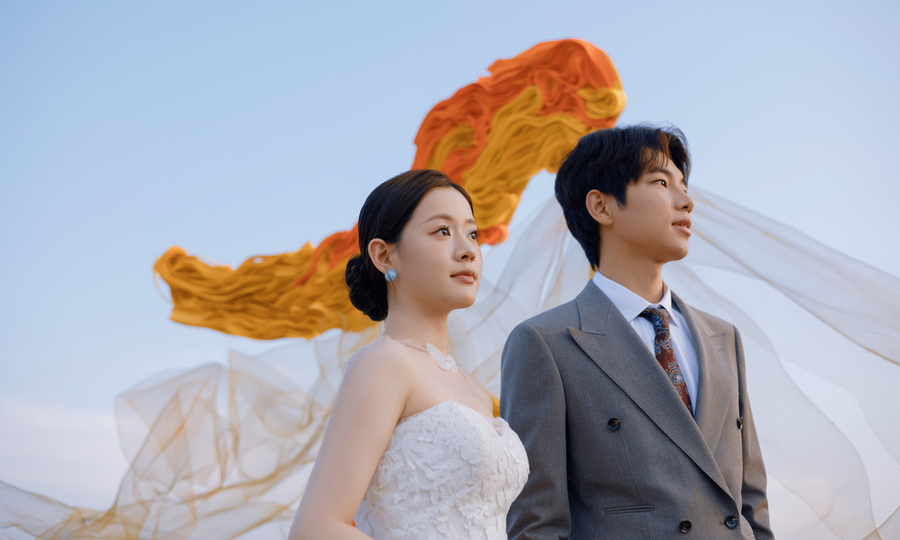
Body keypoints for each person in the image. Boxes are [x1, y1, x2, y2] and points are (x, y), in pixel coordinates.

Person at [500, 125, 774, 539]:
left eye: (684, 186)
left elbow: (752, 504)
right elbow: (537, 524)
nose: (687, 201)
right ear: (602, 206)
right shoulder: (546, 343)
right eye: (661, 182)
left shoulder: (723, 338)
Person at [289, 169, 529, 540]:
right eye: (442, 231)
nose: (468, 250)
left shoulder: (478, 393)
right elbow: (315, 529)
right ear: (384, 255)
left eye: (472, 234)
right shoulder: (383, 365)